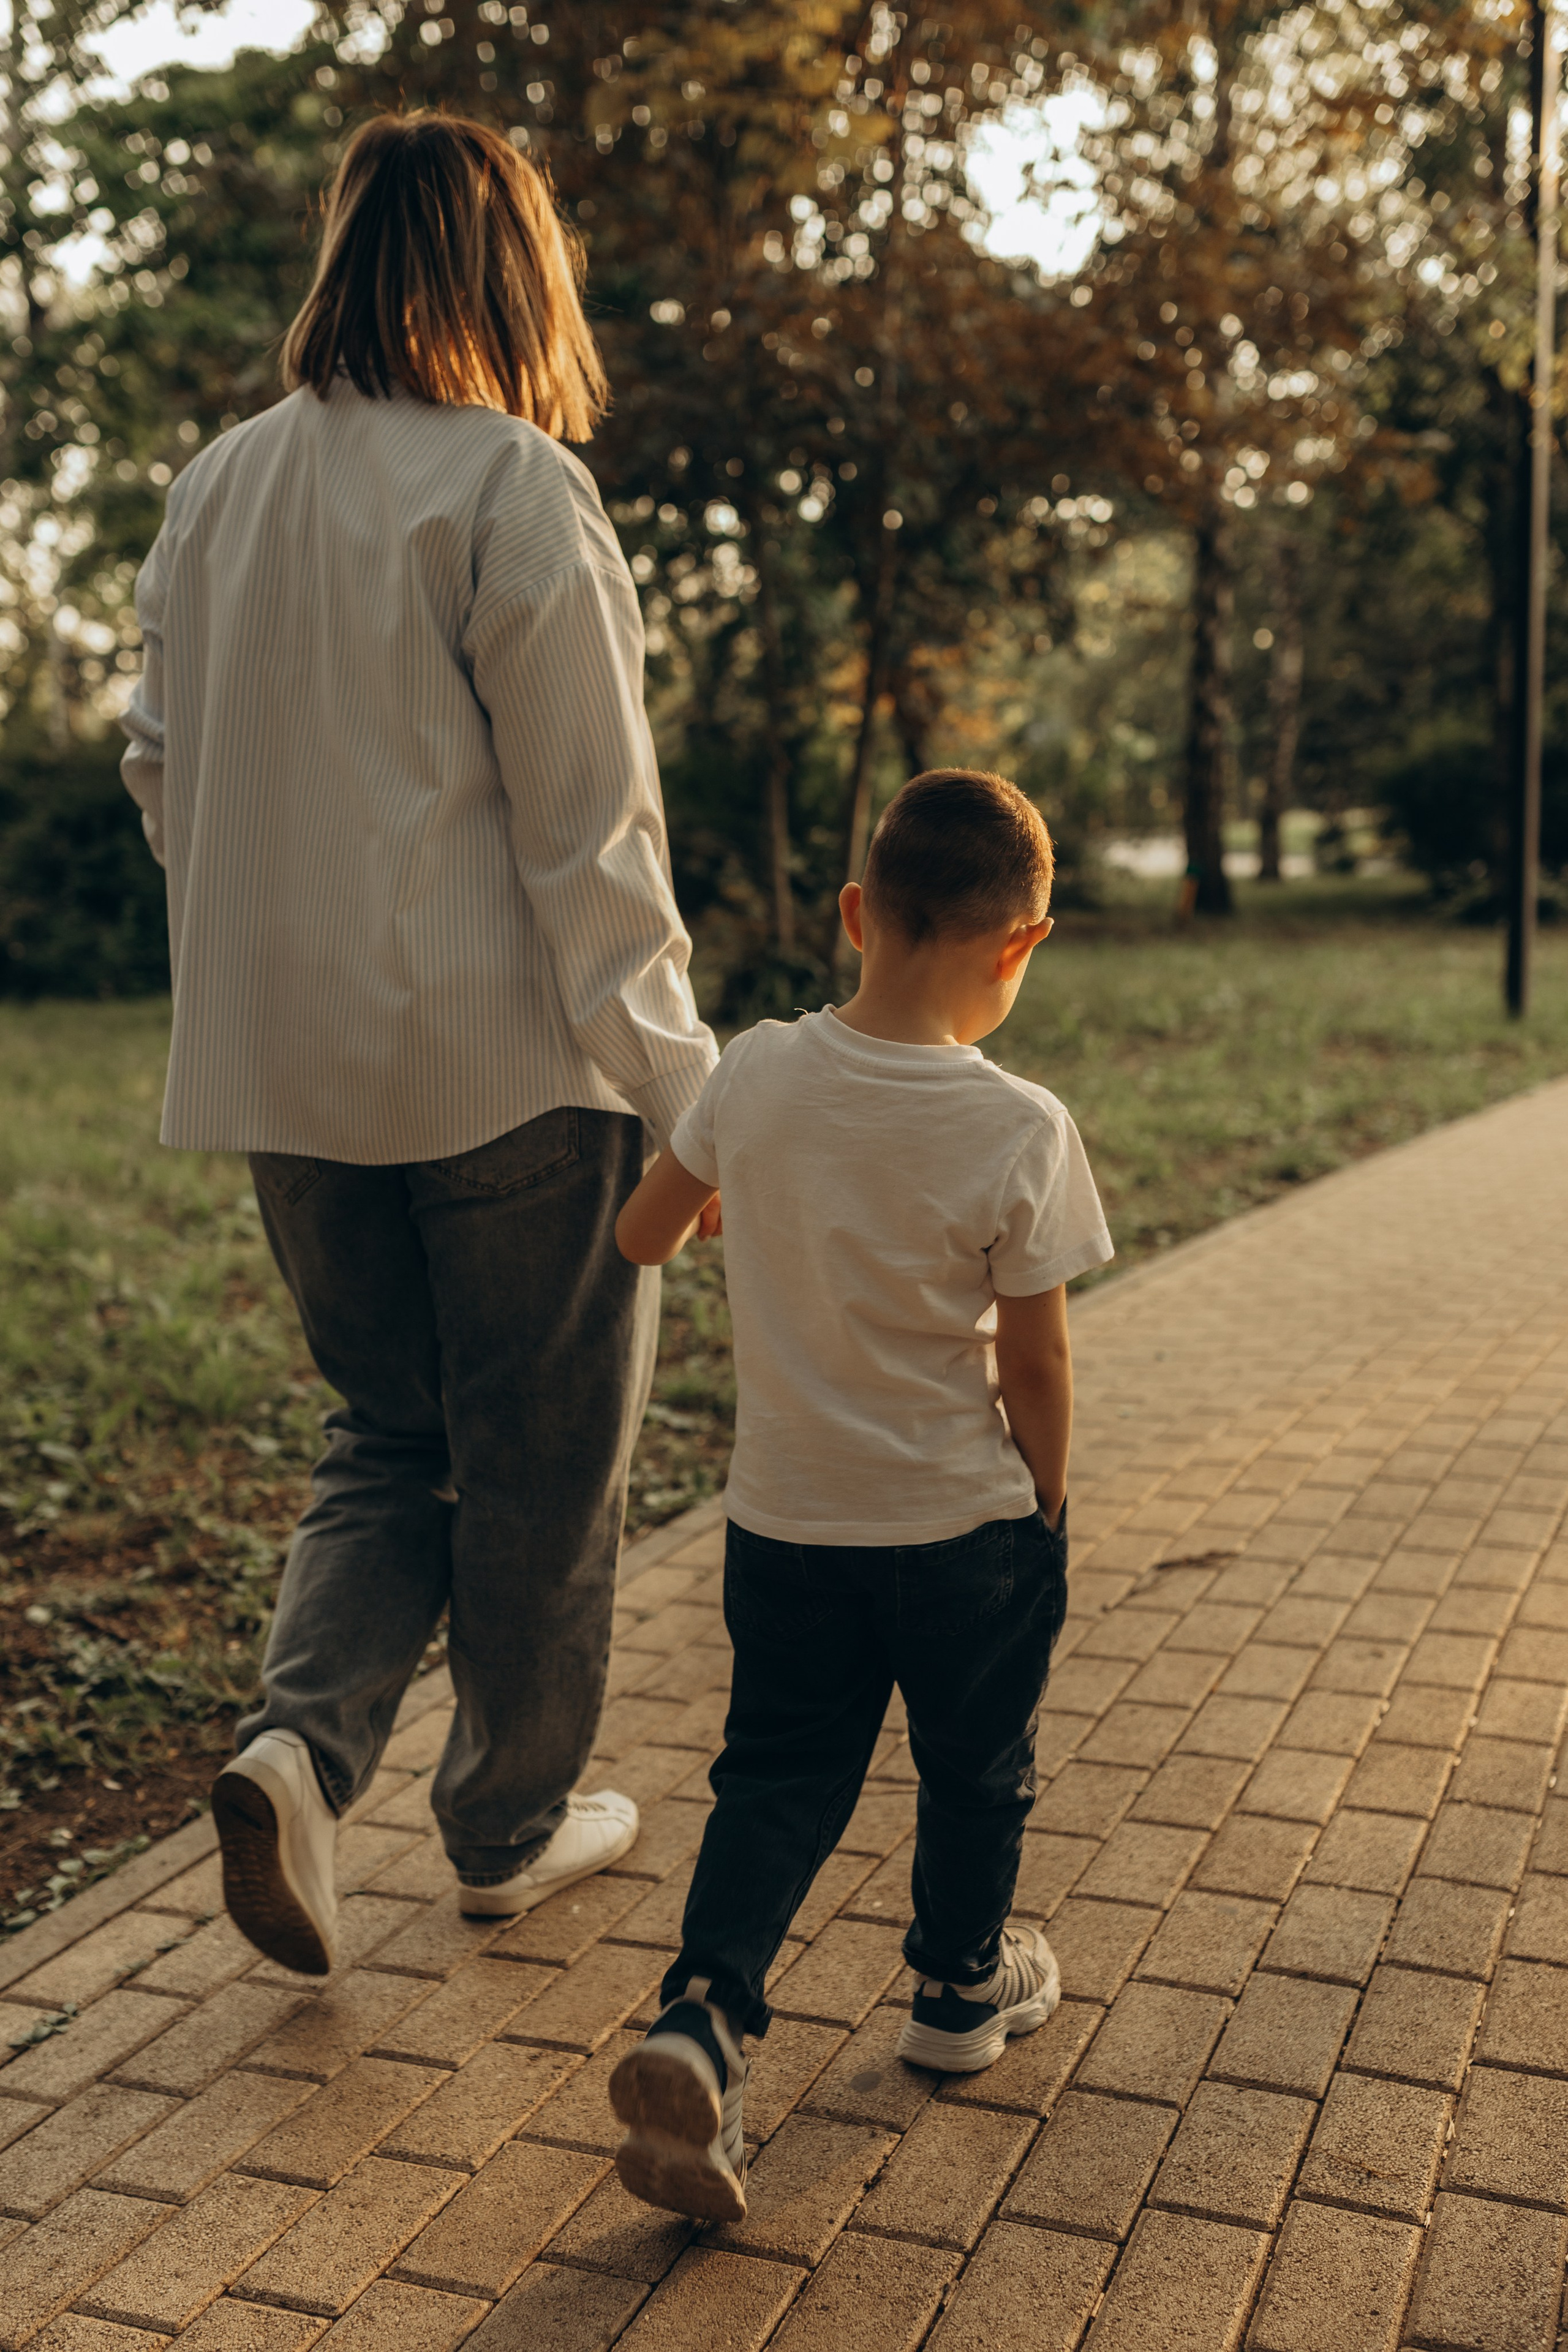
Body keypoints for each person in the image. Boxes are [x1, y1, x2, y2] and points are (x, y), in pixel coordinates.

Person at [119, 113, 717, 1978]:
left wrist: (275, 929)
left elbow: (158, 766)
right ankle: (507, 1828)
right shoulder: (514, 486)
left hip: (288, 1075)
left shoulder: (215, 487)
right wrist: (689, 1095)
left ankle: (298, 1752)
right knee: (540, 1458)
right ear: (511, 268)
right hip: (508, 1071)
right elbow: (591, 834)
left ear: (345, 252)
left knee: (387, 1434)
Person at [607, 769, 1114, 2222]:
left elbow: (642, 1236)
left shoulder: (752, 1074)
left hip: (785, 1522)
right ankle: (957, 1987)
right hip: (963, 1529)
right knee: (973, 1766)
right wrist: (1047, 1494)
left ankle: (704, 2012)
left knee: (775, 1774)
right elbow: (1035, 1355)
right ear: (1021, 944)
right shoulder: (1020, 1125)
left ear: (852, 914)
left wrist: (721, 1184)